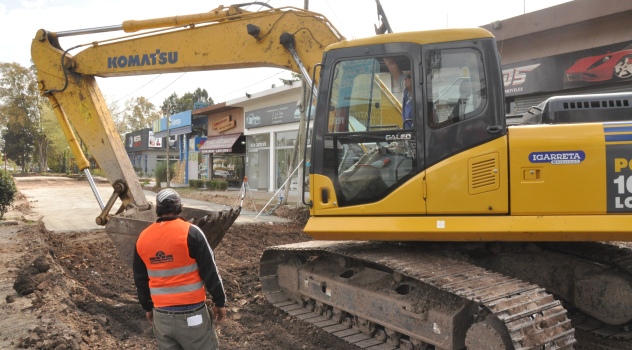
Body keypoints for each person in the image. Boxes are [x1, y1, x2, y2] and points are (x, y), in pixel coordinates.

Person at [133, 188, 226, 350]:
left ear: (158, 210)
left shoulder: (142, 238)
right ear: (179, 208)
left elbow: (140, 279)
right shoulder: (191, 233)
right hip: (193, 316)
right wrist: (220, 301)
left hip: (162, 318)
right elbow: (210, 271)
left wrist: (147, 307)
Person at [383, 57, 414, 129]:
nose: (405, 78)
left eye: (408, 76)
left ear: (416, 79)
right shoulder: (407, 90)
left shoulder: (421, 102)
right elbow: (391, 64)